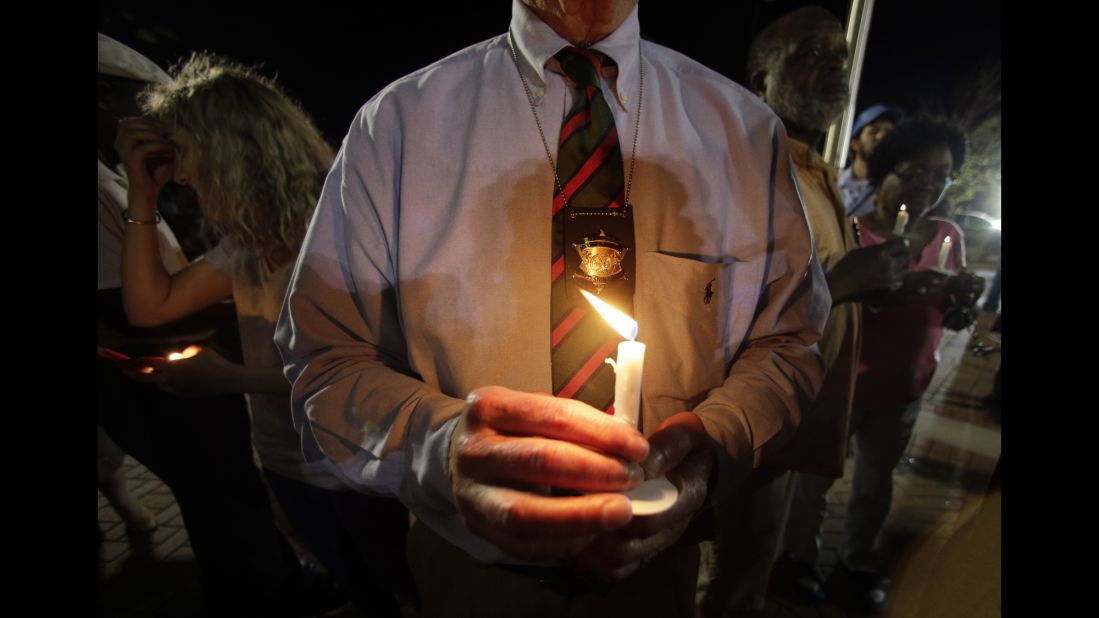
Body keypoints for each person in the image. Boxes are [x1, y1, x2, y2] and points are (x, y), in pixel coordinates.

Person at [275, 0, 830, 615]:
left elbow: (789, 342)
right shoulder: (399, 126)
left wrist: (706, 454)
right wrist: (442, 448)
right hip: (469, 573)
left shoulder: (742, 131)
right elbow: (324, 362)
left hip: (657, 574)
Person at [113, 52, 410, 616]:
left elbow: (378, 367)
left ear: (233, 146)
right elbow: (151, 308)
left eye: (186, 152)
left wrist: (230, 379)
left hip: (356, 470)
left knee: (404, 594)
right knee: (361, 591)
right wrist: (141, 198)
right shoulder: (250, 241)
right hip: (288, 462)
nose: (179, 174)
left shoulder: (340, 229)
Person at [698, 7, 912, 616]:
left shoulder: (816, 170)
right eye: (810, 55)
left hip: (799, 422)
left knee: (754, 567)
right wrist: (839, 283)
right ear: (760, 79)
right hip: (755, 424)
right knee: (732, 577)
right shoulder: (742, 165)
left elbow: (818, 280)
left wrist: (866, 286)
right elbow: (713, 298)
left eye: (840, 58)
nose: (833, 68)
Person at [783, 117, 985, 613]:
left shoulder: (946, 235)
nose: (927, 187)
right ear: (884, 172)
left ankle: (855, 563)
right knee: (814, 479)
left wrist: (962, 302)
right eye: (915, 173)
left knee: (876, 483)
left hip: (907, 381)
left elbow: (953, 316)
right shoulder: (849, 231)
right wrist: (881, 295)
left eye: (942, 177)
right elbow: (825, 303)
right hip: (845, 378)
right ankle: (796, 560)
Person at [839, 104, 904, 217]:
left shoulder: (895, 192)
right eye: (874, 131)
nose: (881, 136)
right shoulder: (830, 183)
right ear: (855, 143)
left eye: (889, 133)